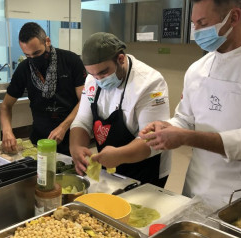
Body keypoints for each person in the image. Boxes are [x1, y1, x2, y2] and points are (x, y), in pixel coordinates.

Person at [140, 0, 241, 208]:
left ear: (234, 17)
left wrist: (187, 137)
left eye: (202, 23)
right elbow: (185, 119)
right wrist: (168, 127)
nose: (196, 31)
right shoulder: (198, 68)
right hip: (197, 185)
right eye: (194, 24)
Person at [69, 32, 171, 187]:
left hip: (146, 167)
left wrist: (120, 154)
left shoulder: (150, 83)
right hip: (112, 165)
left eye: (104, 72)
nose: (99, 79)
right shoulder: (92, 79)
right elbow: (82, 120)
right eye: (93, 74)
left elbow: (153, 138)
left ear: (120, 59)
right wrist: (76, 147)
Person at [0, 22, 86, 155]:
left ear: (47, 41)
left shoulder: (71, 61)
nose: (33, 59)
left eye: (37, 53)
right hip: (39, 137)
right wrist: (7, 131)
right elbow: (6, 105)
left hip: (72, 135)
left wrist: (63, 127)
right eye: (28, 55)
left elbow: (84, 100)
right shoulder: (24, 69)